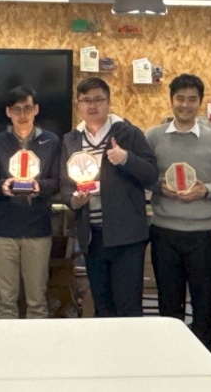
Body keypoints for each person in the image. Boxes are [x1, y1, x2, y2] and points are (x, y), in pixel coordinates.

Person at [147, 74, 211, 350]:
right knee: (168, 303)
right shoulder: (153, 137)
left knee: (204, 302)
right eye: (180, 99)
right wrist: (159, 186)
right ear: (171, 100)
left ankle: (205, 358)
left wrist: (206, 190)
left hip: (202, 234)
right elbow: (143, 175)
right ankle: (172, 358)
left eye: (191, 99)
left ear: (200, 102)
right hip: (164, 232)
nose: (185, 105)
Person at [61, 77, 159, 318]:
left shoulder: (128, 133)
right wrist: (73, 201)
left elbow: (151, 175)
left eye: (98, 99)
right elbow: (65, 184)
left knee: (128, 308)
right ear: (78, 104)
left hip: (126, 237)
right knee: (102, 307)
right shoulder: (72, 139)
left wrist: (126, 158)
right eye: (86, 100)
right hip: (92, 237)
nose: (92, 105)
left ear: (108, 101)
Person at [0, 86, 62, 319]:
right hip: (4, 229)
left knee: (37, 300)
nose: (22, 114)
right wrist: (4, 186)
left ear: (36, 109)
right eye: (16, 109)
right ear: (8, 112)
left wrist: (40, 187)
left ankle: (37, 342)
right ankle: (7, 342)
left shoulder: (51, 141)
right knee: (6, 300)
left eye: (27, 108)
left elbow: (57, 182)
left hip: (38, 228)